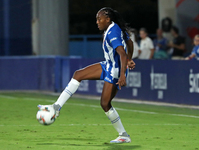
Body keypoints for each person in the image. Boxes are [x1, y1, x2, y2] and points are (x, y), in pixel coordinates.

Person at [38, 7, 135, 143]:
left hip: (115, 71)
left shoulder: (112, 32)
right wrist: (130, 59)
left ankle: (123, 135)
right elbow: (129, 42)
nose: (97, 22)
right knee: (78, 74)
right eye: (96, 19)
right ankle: (56, 107)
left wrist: (123, 74)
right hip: (108, 65)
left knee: (105, 104)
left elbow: (122, 53)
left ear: (108, 19)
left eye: (99, 19)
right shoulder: (113, 28)